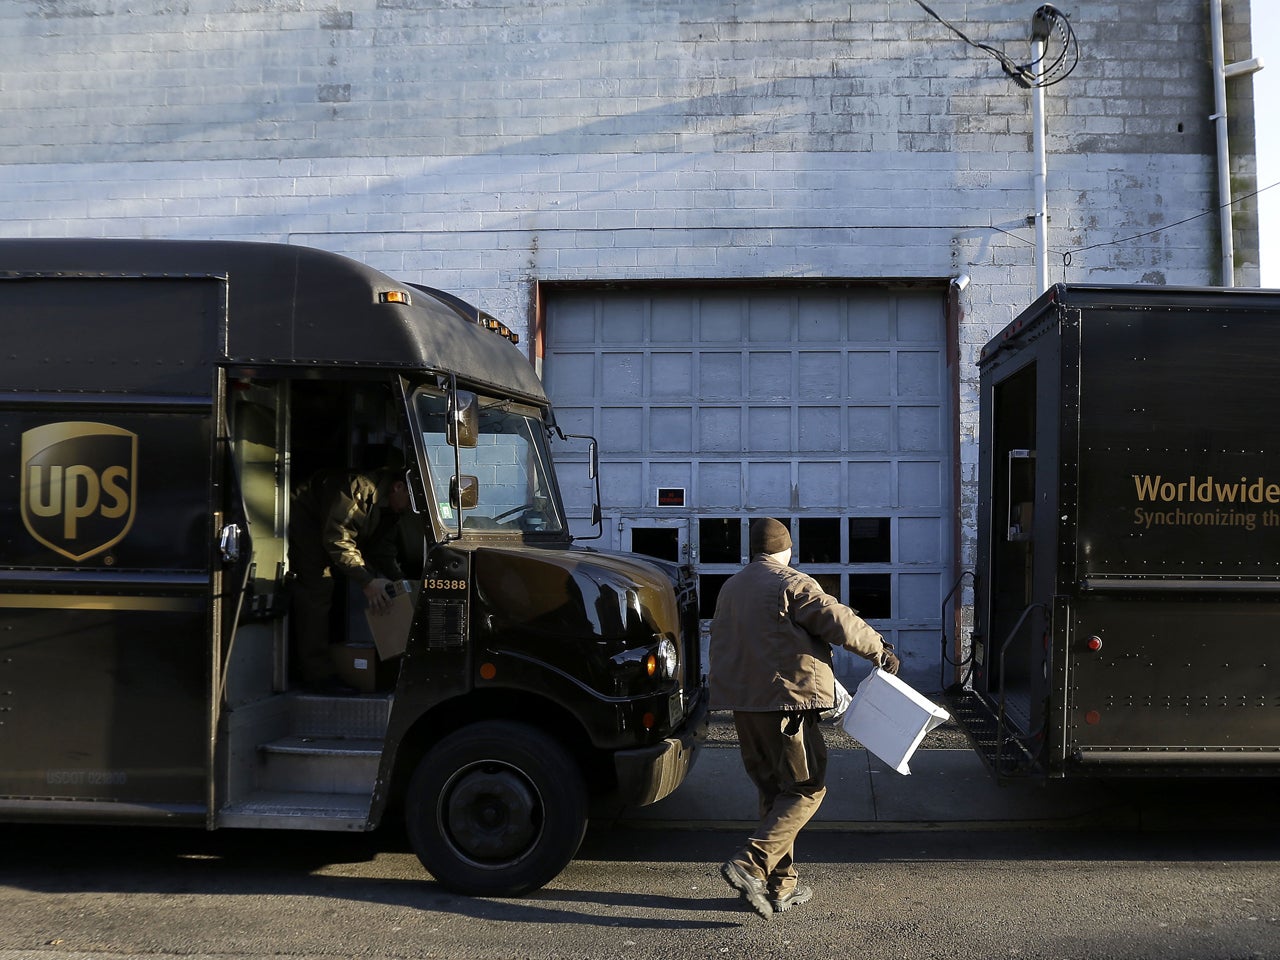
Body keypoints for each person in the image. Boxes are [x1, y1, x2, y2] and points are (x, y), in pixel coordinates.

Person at [709, 517, 900, 918]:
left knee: (774, 793)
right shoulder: (791, 582)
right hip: (786, 705)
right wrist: (880, 650)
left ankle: (780, 886)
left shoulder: (731, 587)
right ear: (787, 549)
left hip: (745, 706)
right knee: (806, 789)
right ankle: (751, 863)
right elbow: (837, 620)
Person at [288, 466, 411, 692]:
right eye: (411, 501)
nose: (412, 509)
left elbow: (382, 549)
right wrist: (367, 582)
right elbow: (337, 538)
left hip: (329, 531)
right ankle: (317, 676)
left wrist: (401, 582)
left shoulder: (392, 509)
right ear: (398, 487)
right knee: (318, 588)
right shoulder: (359, 488)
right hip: (307, 521)